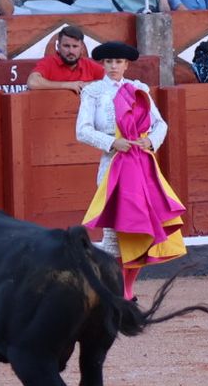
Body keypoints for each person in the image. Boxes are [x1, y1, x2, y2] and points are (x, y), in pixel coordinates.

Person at [78, 42, 185, 300]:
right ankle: (115, 290)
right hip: (112, 165)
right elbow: (82, 130)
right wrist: (113, 143)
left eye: (118, 62)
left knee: (138, 229)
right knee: (114, 232)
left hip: (139, 165)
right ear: (102, 64)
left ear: (126, 65)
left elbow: (160, 125)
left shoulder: (139, 89)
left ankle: (126, 290)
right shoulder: (93, 92)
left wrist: (150, 141)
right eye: (109, 62)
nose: (113, 66)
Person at [26, 24, 103, 92]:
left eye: (75, 46)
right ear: (58, 47)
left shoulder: (88, 64)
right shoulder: (48, 62)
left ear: (82, 48)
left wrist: (86, 85)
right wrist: (68, 85)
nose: (71, 51)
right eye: (66, 46)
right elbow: (32, 82)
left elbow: (112, 81)